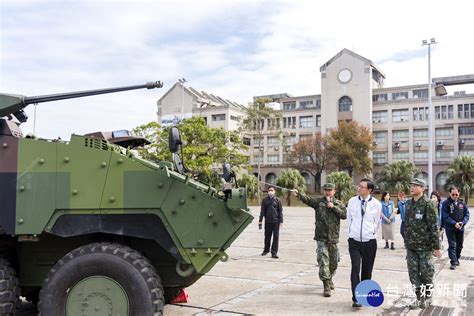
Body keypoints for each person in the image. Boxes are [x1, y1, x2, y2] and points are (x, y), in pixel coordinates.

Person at [294, 183, 347, 297]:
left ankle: (330, 277)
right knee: (323, 261)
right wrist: (299, 195)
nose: (328, 192)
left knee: (334, 262)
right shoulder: (319, 202)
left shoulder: (339, 203)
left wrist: (333, 207)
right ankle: (326, 285)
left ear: (334, 191)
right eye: (326, 190)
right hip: (321, 237)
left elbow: (344, 215)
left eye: (330, 190)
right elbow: (308, 200)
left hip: (333, 238)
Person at [404, 178, 441, 309]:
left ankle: (428, 296)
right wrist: (406, 240)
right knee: (413, 274)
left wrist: (436, 247)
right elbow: (406, 224)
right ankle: (419, 298)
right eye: (411, 185)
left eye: (415, 185)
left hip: (425, 247)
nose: (412, 187)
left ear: (423, 188)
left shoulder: (428, 204)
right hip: (411, 247)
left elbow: (433, 227)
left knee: (426, 274)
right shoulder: (408, 204)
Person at [346, 178, 382, 308]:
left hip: (369, 242)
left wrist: (372, 234)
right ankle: (356, 298)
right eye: (359, 186)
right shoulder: (352, 201)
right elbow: (349, 219)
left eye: (362, 187)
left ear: (370, 190)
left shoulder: (377, 204)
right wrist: (350, 235)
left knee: (367, 270)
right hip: (354, 241)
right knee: (355, 268)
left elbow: (377, 222)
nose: (359, 188)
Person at [441, 186, 470, 270]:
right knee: (452, 245)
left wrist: (463, 222)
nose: (454, 196)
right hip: (450, 228)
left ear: (459, 194)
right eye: (453, 194)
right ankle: (453, 262)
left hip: (460, 227)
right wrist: (454, 223)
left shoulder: (462, 203)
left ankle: (456, 258)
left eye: (456, 194)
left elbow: (467, 214)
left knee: (460, 245)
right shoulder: (446, 203)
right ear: (450, 194)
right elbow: (445, 216)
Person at [258, 186, 283, 259]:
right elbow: (262, 211)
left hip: (276, 222)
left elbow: (280, 211)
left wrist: (281, 221)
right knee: (267, 237)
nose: (270, 191)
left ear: (274, 191)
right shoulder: (265, 200)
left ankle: (274, 253)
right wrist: (260, 220)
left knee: (276, 237)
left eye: (272, 190)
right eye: (269, 190)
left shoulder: (278, 200)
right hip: (268, 221)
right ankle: (266, 250)